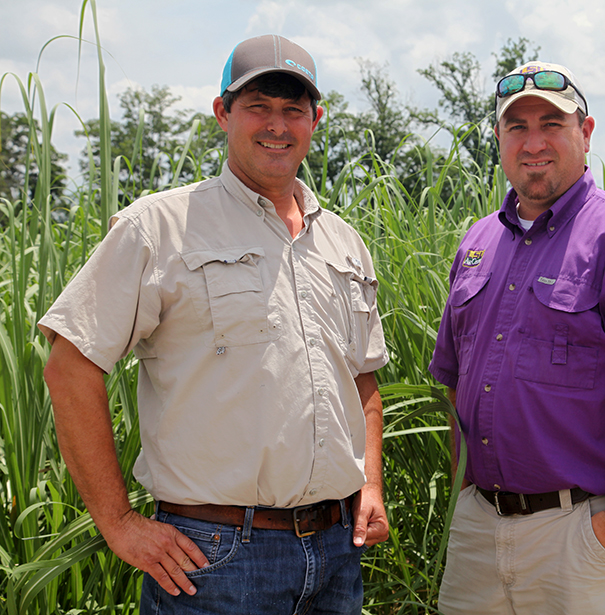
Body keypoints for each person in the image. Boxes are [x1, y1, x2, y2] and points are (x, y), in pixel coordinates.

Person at [40, 34, 389, 615]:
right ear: (222, 113)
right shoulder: (160, 227)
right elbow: (69, 365)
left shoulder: (343, 242)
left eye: (292, 109)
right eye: (257, 106)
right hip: (216, 559)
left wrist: (370, 485)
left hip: (336, 552)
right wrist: (120, 524)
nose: (277, 125)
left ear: (315, 120)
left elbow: (364, 384)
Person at [428, 60, 605, 614]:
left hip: (582, 538)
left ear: (585, 133)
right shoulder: (478, 243)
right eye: (517, 127)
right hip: (478, 535)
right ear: (499, 139)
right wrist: (468, 496)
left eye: (551, 124)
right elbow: (454, 378)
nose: (533, 142)